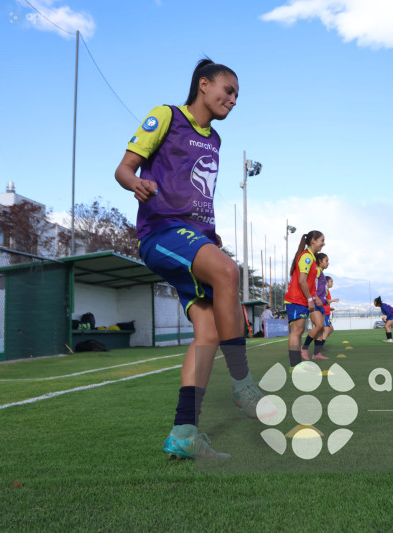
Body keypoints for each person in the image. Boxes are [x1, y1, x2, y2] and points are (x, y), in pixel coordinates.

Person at [115, 58, 269, 460]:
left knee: (208, 334)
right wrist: (137, 183)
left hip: (195, 238)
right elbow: (123, 169)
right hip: (162, 232)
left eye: (237, 96)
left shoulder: (214, 140)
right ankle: (243, 383)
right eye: (228, 90)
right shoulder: (166, 116)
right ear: (204, 84)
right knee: (227, 270)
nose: (233, 100)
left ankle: (184, 431)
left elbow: (201, 196)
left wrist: (211, 242)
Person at [283, 231, 325, 367]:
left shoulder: (311, 259)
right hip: (296, 299)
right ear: (313, 241)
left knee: (299, 331)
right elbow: (302, 281)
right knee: (297, 331)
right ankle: (294, 365)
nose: (324, 243)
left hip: (301, 300)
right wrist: (310, 299)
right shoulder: (306, 257)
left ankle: (296, 363)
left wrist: (312, 298)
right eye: (322, 240)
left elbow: (310, 283)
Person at [305, 253, 329, 360]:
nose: (328, 263)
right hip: (315, 303)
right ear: (320, 261)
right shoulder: (317, 271)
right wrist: (316, 298)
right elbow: (310, 286)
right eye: (326, 260)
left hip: (321, 305)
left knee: (321, 329)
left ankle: (316, 354)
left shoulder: (322, 273)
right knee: (319, 326)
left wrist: (325, 301)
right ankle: (304, 348)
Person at [319, 276, 339, 349]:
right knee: (327, 329)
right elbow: (323, 301)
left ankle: (320, 342)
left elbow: (325, 302)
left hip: (327, 312)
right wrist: (333, 300)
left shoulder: (327, 290)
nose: (332, 283)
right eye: (331, 281)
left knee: (330, 329)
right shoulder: (324, 290)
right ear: (326, 282)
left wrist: (329, 308)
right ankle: (319, 345)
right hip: (324, 313)